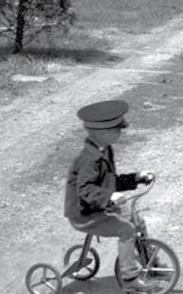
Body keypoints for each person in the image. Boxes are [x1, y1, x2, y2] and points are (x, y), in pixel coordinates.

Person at [64, 100, 156, 284]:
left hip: (98, 207)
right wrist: (110, 196)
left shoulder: (105, 150)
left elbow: (110, 181)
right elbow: (85, 190)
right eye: (117, 130)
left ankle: (151, 263)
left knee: (136, 219)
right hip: (84, 215)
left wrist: (136, 177)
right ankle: (129, 277)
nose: (121, 133)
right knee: (126, 230)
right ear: (102, 133)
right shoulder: (89, 159)